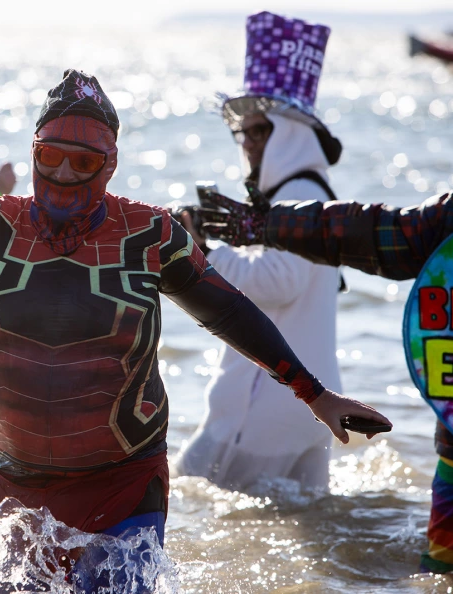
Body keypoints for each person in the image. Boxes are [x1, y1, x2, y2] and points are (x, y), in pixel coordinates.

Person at [0, 70, 390, 589]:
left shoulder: (151, 236)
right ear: (34, 152)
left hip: (124, 487)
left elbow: (231, 314)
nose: (63, 172)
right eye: (50, 155)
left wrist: (316, 395)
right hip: (15, 486)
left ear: (109, 165)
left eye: (82, 162)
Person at [198, 45, 453, 576]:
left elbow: (367, 231)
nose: (249, 143)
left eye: (258, 131)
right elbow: (359, 228)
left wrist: (254, 227)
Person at [172, 11, 345, 492]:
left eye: (260, 131)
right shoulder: (308, 192)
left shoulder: (299, 194)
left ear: (290, 132)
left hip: (270, 405)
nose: (247, 143)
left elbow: (279, 280)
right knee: (312, 521)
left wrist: (204, 252)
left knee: (186, 493)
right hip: (308, 401)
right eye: (243, 132)